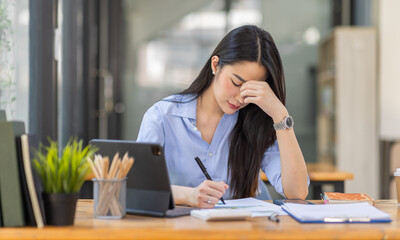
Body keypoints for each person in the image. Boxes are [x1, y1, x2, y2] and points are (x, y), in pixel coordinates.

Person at [137, 25, 309, 208]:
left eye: (253, 89)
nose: (241, 97)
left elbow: (297, 192)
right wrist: (187, 195)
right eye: (236, 82)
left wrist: (280, 114)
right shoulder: (163, 117)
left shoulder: (257, 120)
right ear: (215, 65)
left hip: (245, 230)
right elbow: (138, 187)